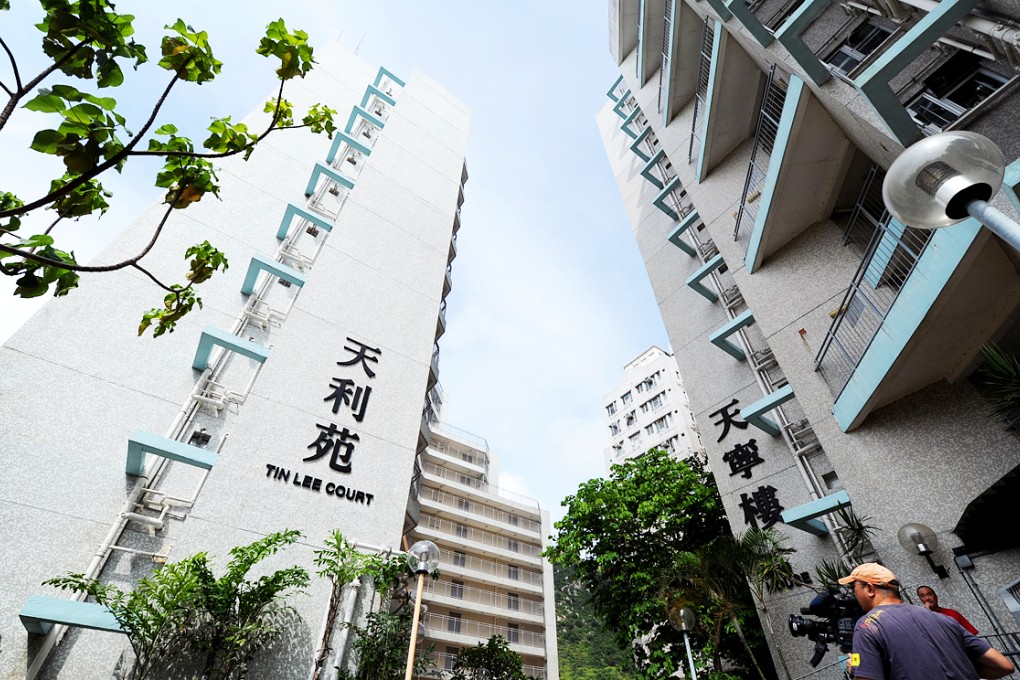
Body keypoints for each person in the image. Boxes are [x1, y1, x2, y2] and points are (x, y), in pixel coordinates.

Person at [839, 563, 1013, 679]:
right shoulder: (944, 619)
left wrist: (854, 667)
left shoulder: (868, 626)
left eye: (854, 587)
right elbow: (1004, 666)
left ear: (869, 589)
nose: (853, 594)